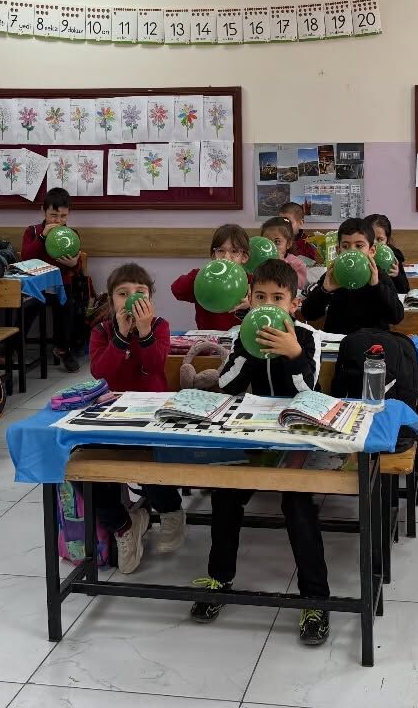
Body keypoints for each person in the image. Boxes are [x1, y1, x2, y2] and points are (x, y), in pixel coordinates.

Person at [191, 258, 330, 645]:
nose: (268, 305)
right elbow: (228, 385)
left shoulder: (307, 336)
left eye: (278, 298)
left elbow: (309, 391)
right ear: (250, 300)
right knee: (225, 493)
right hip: (255, 433)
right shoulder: (242, 336)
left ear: (294, 304)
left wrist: (292, 353)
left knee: (297, 504)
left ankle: (315, 598)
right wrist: (251, 350)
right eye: (261, 297)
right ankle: (219, 579)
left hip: (296, 435)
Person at [87, 263, 183, 572]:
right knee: (87, 467)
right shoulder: (101, 331)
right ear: (111, 299)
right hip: (113, 415)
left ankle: (171, 511)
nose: (131, 298)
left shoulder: (160, 326)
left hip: (152, 414)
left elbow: (154, 365)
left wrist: (143, 333)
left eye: (140, 292)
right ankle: (124, 526)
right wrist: (119, 336)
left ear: (150, 299)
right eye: (122, 293)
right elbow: (100, 372)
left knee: (150, 464)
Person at [299, 217, 404, 335]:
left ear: (372, 251)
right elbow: (308, 314)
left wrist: (377, 286)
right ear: (338, 250)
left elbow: (397, 317)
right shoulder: (333, 276)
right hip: (338, 340)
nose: (352, 252)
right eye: (345, 246)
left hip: (372, 341)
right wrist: (324, 291)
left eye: (359, 246)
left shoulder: (379, 276)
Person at [21, 187, 86, 372]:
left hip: (61, 284)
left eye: (63, 216)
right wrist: (43, 237)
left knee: (67, 306)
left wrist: (74, 263)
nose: (58, 220)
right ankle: (14, 347)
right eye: (53, 215)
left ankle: (63, 349)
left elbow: (77, 266)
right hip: (37, 286)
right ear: (44, 211)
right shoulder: (33, 231)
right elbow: (26, 257)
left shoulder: (71, 234)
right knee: (26, 309)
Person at [171, 224, 251, 332]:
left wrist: (253, 303)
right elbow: (177, 290)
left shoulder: (254, 282)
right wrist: (201, 275)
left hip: (241, 340)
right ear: (213, 256)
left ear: (244, 257)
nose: (226, 257)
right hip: (208, 339)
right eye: (221, 251)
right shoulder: (203, 277)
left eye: (234, 251)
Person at [363, 212, 409, 294]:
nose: (374, 243)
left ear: (387, 240)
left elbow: (405, 290)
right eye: (370, 238)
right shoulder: (360, 257)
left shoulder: (394, 257)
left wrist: (397, 276)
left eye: (380, 239)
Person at [261, 216, 309, 287]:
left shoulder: (297, 264)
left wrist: (282, 265)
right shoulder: (261, 261)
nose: (271, 246)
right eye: (266, 241)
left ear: (288, 244)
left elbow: (299, 285)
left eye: (277, 242)